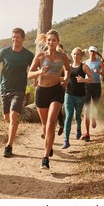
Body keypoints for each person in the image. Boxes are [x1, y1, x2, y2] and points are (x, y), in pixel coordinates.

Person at [28, 29, 70, 169]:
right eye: (49, 40)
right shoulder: (40, 56)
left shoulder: (62, 56)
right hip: (41, 92)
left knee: (52, 123)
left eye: (54, 40)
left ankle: (45, 158)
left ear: (58, 42)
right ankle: (49, 145)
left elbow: (68, 69)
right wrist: (40, 71)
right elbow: (29, 74)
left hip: (56, 91)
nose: (51, 42)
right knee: (45, 126)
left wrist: (66, 80)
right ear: (46, 41)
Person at [0, 27, 35, 158]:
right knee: (7, 118)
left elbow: (33, 69)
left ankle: (9, 146)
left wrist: (36, 79)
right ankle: (14, 124)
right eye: (13, 37)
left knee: (14, 114)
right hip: (4, 88)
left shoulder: (28, 55)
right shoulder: (4, 52)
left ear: (23, 39)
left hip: (19, 89)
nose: (15, 39)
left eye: (18, 37)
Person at [62, 47, 93, 149]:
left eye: (78, 54)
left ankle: (79, 128)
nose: (76, 56)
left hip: (80, 96)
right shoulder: (68, 67)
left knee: (77, 116)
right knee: (69, 116)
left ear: (81, 56)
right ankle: (66, 140)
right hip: (69, 94)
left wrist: (83, 80)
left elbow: (91, 79)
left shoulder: (84, 67)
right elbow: (62, 77)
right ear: (72, 55)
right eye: (74, 54)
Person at [82, 46, 104, 142]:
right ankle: (87, 134)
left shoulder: (99, 63)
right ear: (88, 52)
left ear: (96, 53)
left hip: (96, 86)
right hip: (87, 86)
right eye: (90, 51)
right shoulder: (85, 63)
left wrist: (99, 72)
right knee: (86, 109)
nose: (92, 53)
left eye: (94, 52)